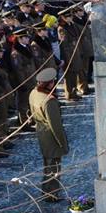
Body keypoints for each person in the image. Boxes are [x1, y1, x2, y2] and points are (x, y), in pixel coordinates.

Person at [29, 67, 69, 202]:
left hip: (41, 132)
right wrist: (63, 143)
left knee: (47, 164)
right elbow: (55, 126)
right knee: (54, 167)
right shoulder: (49, 101)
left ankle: (46, 191)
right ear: (50, 83)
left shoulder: (34, 93)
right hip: (51, 137)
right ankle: (52, 194)